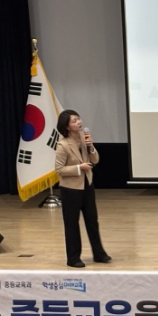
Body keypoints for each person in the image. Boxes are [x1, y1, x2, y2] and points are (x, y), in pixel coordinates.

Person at [55, 109, 111, 268]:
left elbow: (95, 160)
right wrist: (79, 168)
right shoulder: (63, 145)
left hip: (87, 184)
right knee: (72, 224)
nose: (79, 122)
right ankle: (73, 258)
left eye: (78, 119)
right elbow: (59, 170)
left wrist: (91, 147)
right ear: (67, 127)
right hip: (71, 189)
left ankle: (99, 254)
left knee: (92, 220)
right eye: (74, 121)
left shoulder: (84, 138)